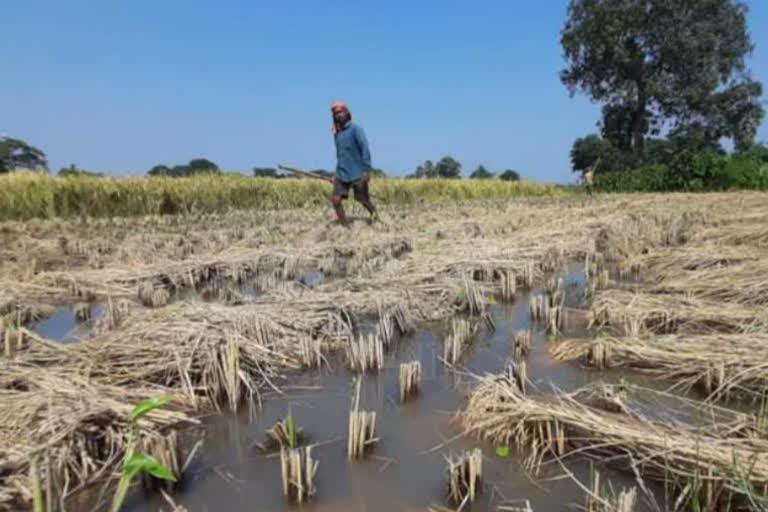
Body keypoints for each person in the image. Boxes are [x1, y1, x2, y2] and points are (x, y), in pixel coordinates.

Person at [330, 100, 378, 225]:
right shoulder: (337, 134)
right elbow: (340, 156)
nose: (338, 115)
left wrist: (366, 169)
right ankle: (345, 226)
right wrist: (336, 175)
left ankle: (375, 215)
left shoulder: (355, 129)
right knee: (336, 200)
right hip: (342, 173)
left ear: (347, 113)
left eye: (340, 112)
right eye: (335, 113)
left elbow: (365, 148)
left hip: (357, 172)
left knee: (362, 199)